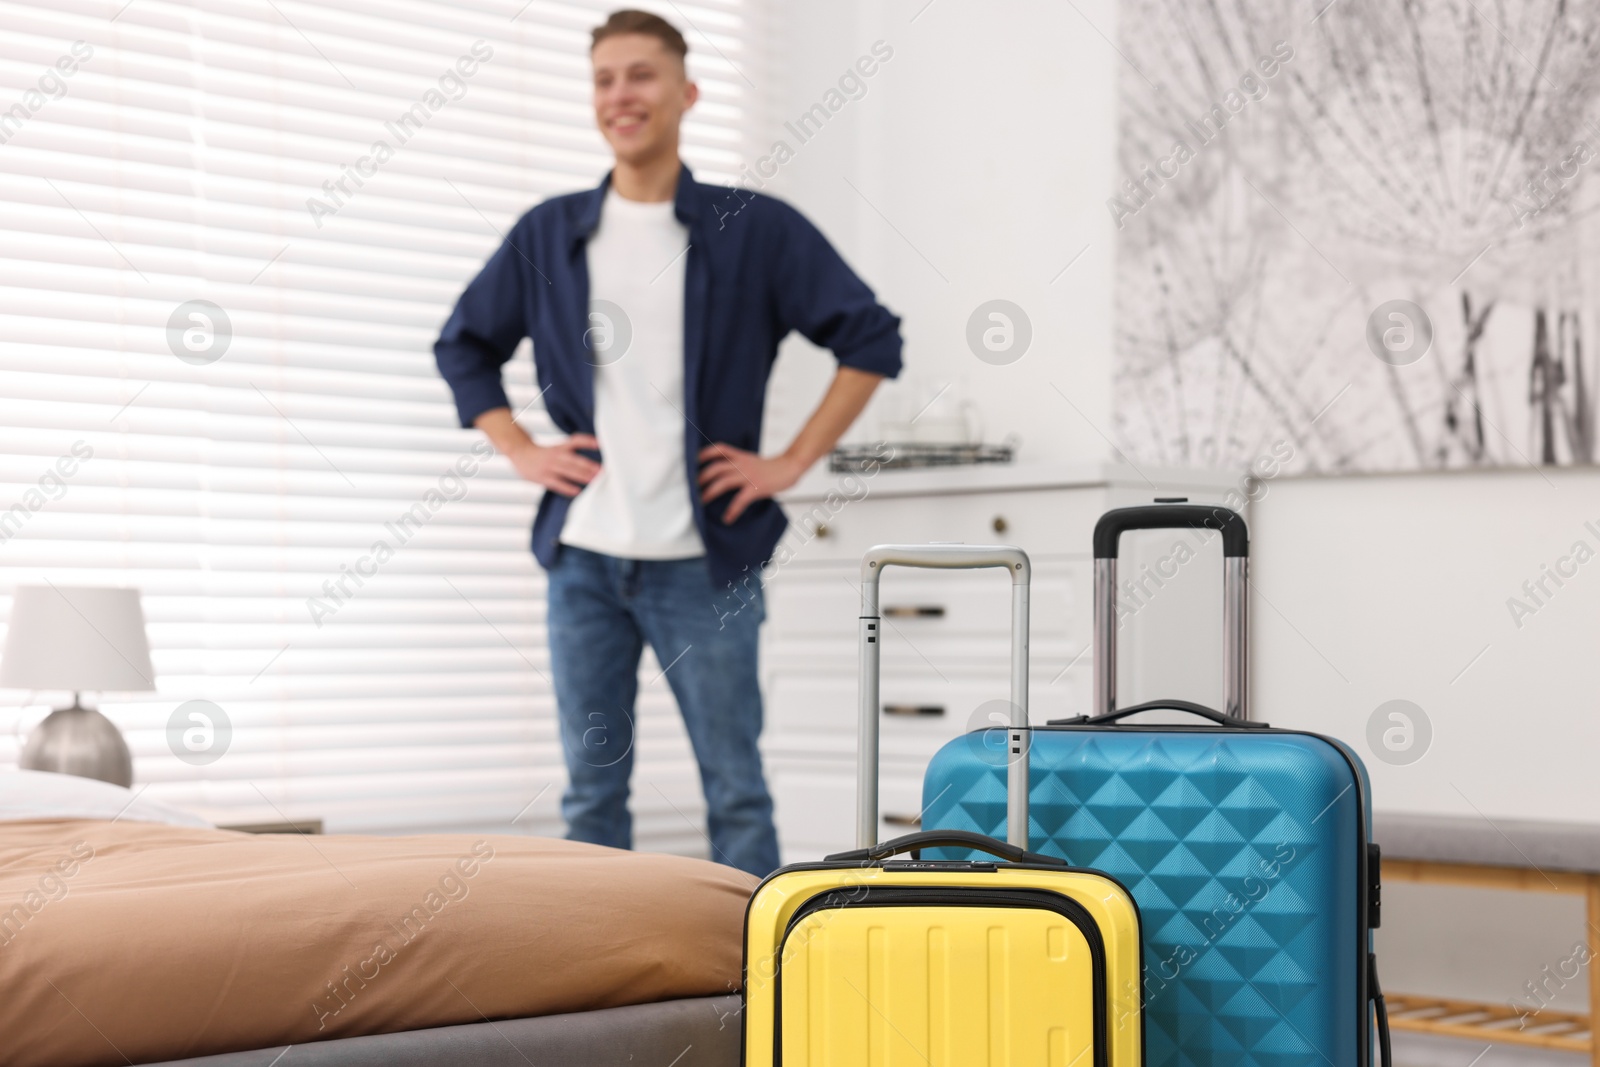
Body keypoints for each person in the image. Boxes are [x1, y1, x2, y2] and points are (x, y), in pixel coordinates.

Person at [433, 9, 902, 877]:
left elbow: (871, 338)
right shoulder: (549, 232)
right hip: (584, 561)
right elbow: (463, 344)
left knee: (736, 789)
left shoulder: (752, 228)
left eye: (641, 75)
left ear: (685, 92)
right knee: (591, 795)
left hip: (706, 563)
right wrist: (520, 449)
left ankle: (761, 979)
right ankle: (596, 985)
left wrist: (790, 462)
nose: (621, 95)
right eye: (605, 78)